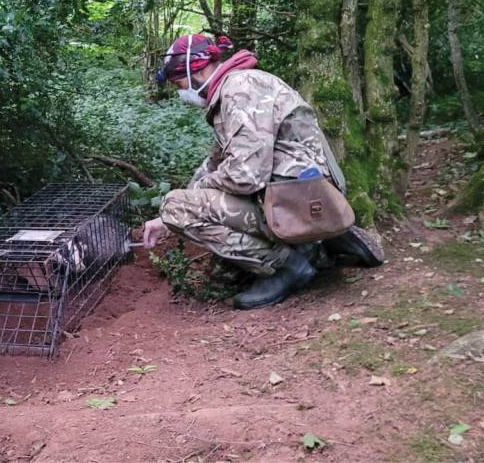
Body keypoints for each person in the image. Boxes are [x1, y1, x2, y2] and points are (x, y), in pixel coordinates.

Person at [141, 34, 384, 310]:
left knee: (174, 205)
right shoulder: (240, 87)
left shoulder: (239, 91)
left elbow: (245, 177)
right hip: (310, 194)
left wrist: (175, 207)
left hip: (294, 202)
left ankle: (290, 265)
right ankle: (324, 239)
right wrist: (164, 219)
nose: (180, 91)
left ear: (194, 69)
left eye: (178, 83)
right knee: (221, 269)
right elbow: (214, 163)